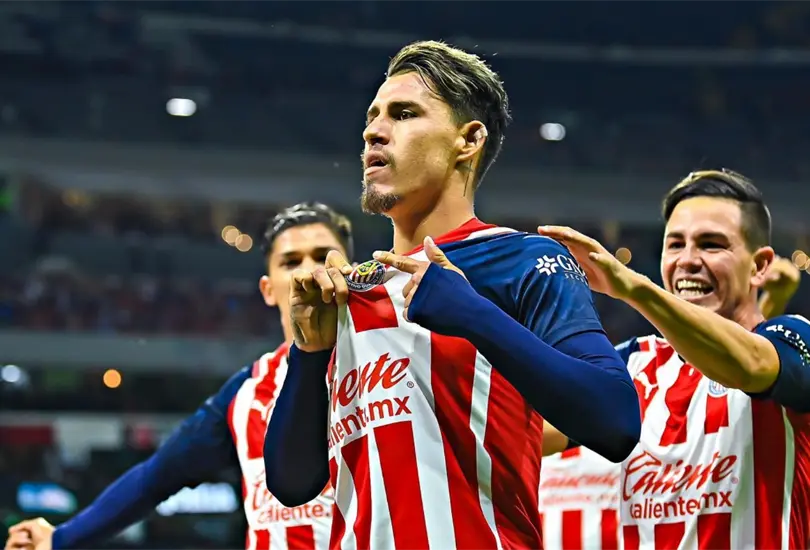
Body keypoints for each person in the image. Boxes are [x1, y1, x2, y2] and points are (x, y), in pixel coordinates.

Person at [263, 40, 641, 550]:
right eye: (373, 117)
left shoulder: (521, 259)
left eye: (403, 114)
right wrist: (309, 357)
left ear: (468, 140)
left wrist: (470, 313)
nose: (373, 130)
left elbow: (615, 421)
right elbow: (292, 484)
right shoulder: (350, 293)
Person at [5, 202, 352, 550]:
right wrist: (60, 538)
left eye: (323, 257)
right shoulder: (245, 392)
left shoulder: (385, 364)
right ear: (266, 289)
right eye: (290, 261)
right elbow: (154, 478)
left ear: (348, 272)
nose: (308, 271)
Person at [538, 169, 810, 549]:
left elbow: (750, 366)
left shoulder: (795, 337)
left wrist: (634, 288)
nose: (688, 260)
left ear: (759, 265)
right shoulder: (633, 364)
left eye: (712, 245)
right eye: (675, 244)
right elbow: (527, 432)